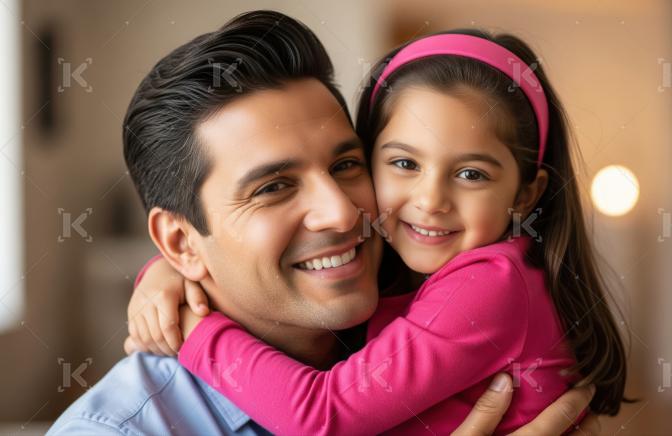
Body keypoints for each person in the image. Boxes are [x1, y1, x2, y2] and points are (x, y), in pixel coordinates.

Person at [48, 11, 599, 436]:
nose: (342, 212)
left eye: (345, 165)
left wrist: (190, 312)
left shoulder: (421, 310)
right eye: (273, 187)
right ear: (179, 240)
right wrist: (164, 275)